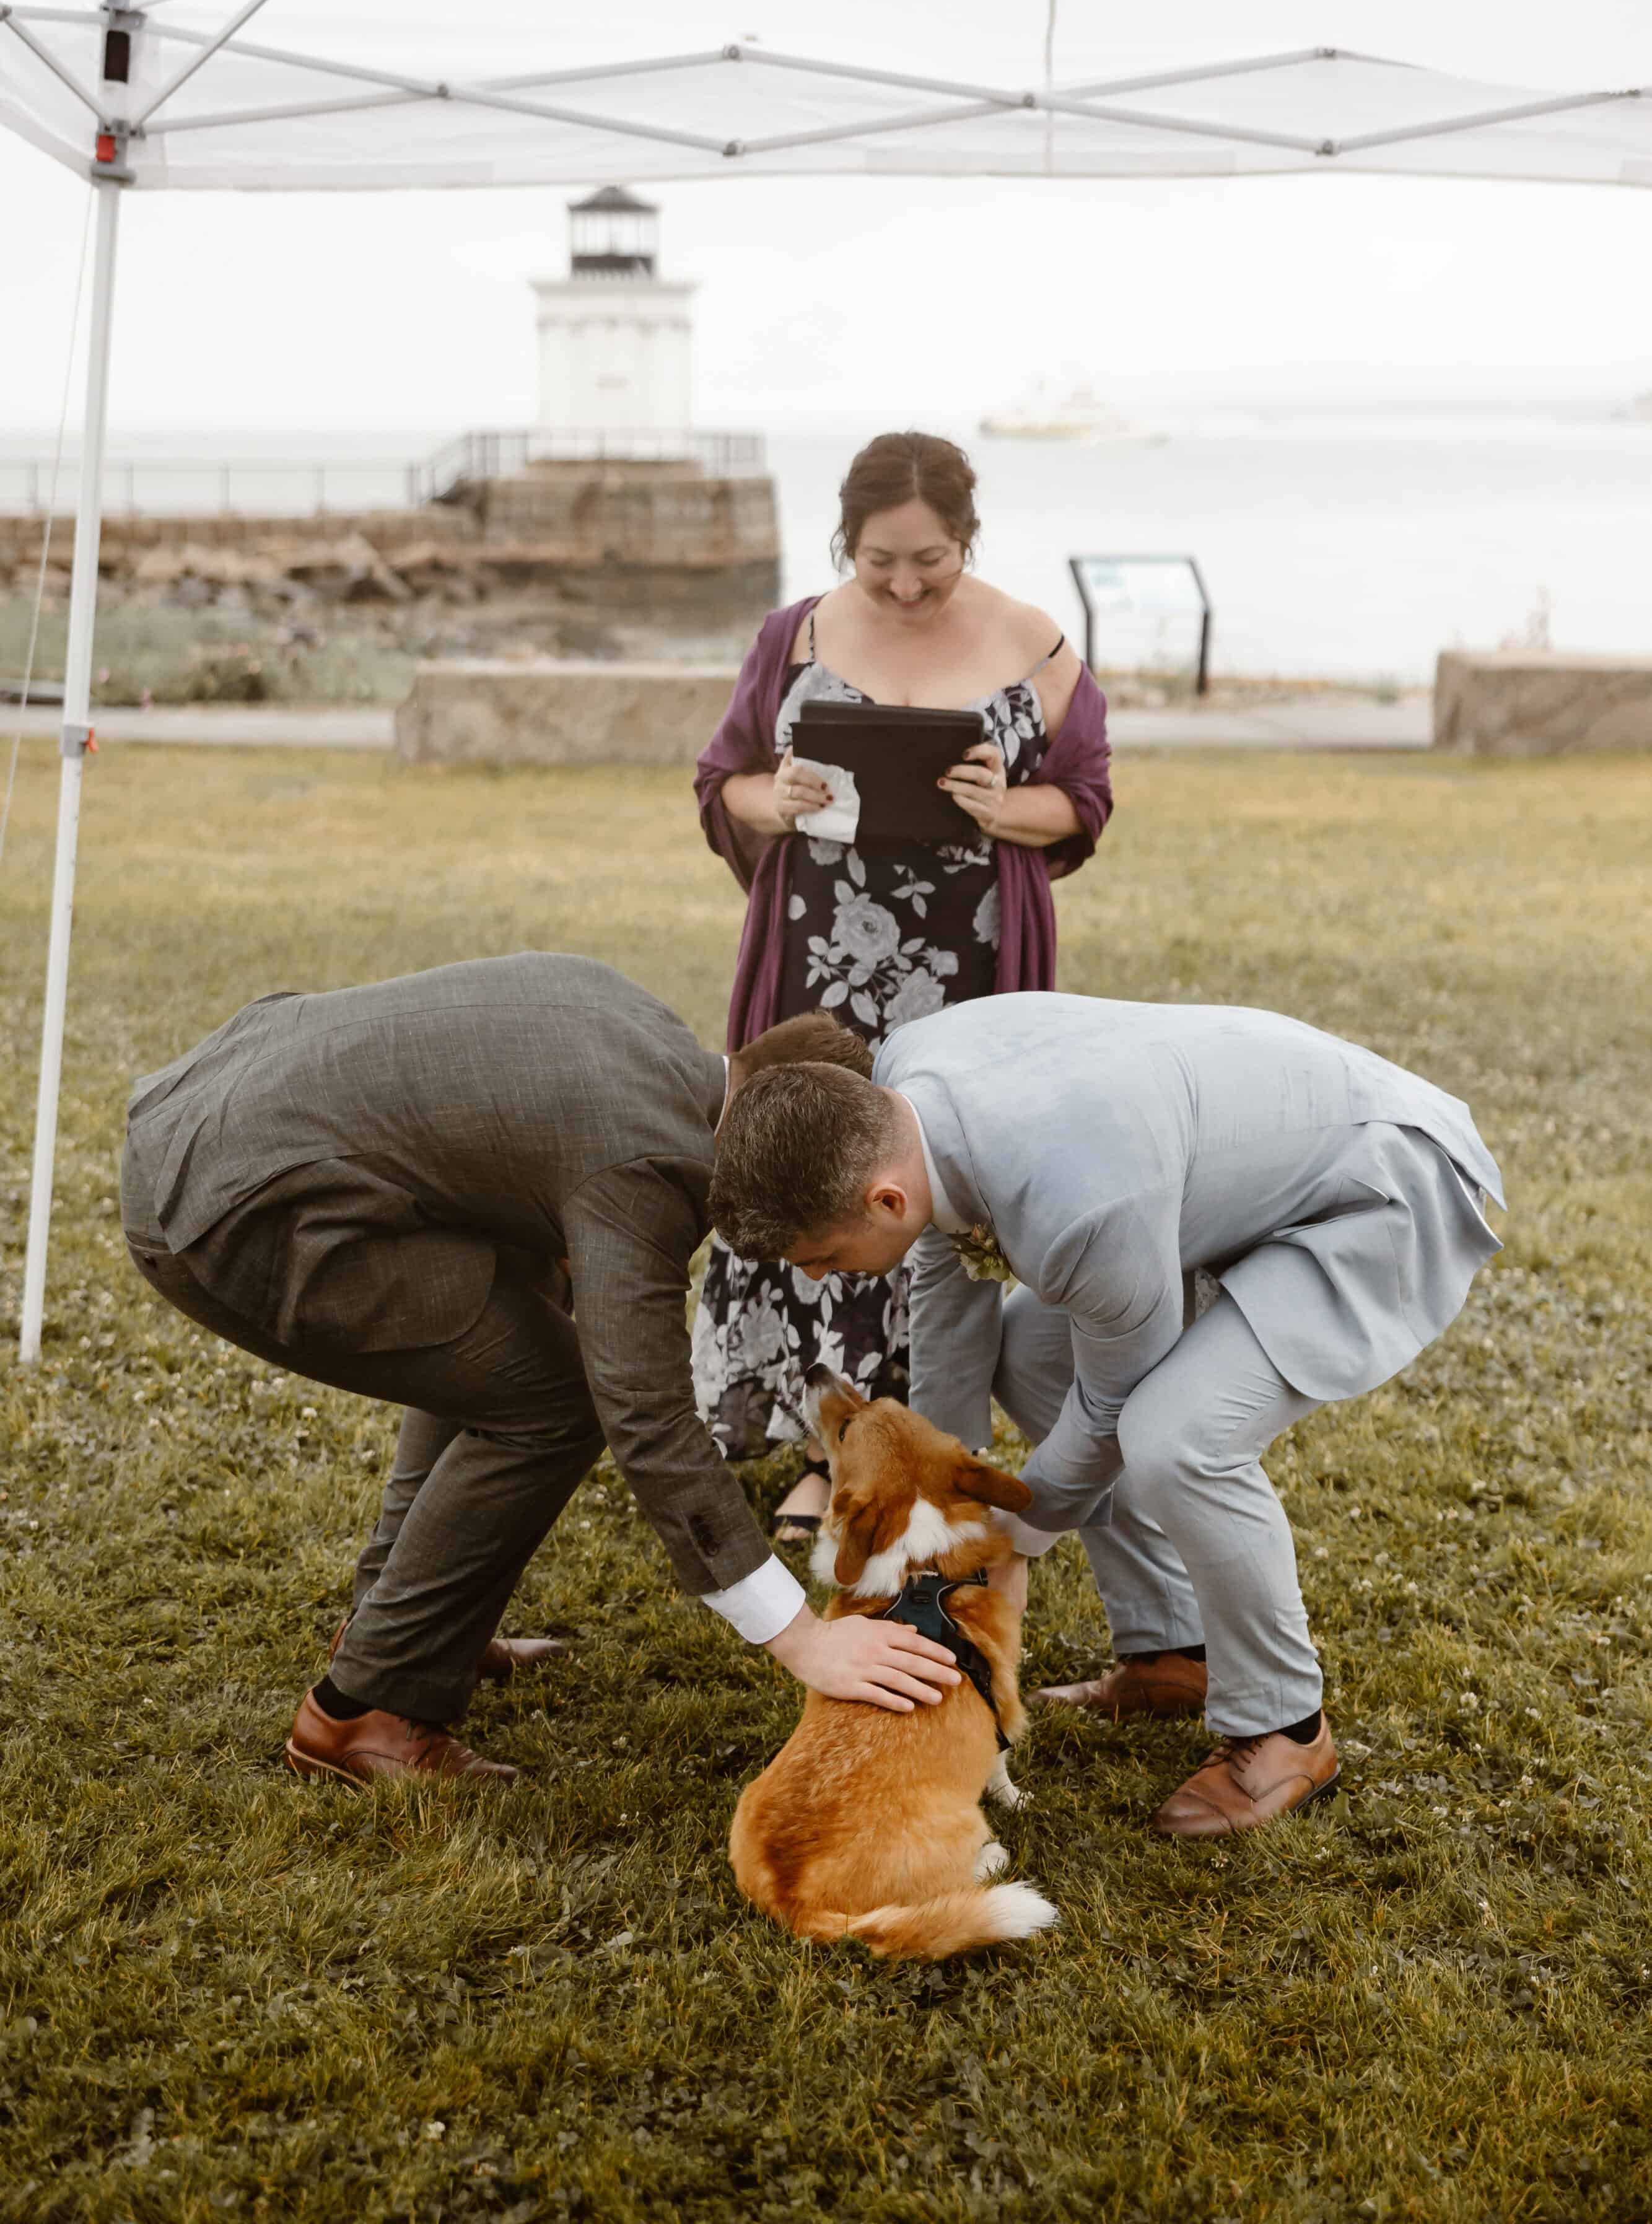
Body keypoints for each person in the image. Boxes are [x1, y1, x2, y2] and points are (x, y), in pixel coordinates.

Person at [119, 956, 961, 1789]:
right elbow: (645, 1415)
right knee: (558, 1401)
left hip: (206, 1106)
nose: (813, 1271)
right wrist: (801, 1638)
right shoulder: (645, 1166)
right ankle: (358, 1711)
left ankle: (404, 1635)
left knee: (504, 1331)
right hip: (231, 1204)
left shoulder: (644, 1027)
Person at [708, 991, 1505, 1839]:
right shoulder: (901, 1101)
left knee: (1174, 1437)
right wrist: (952, 1499)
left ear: (884, 1202)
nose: (827, 1279)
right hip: (1205, 1187)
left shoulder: (1080, 1208)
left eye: (825, 1259)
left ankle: (1286, 1728)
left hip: (1373, 1191)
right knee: (1028, 1353)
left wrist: (1013, 1540)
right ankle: (1175, 1648)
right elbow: (950, 1280)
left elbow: (1115, 1397)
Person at [692, 429, 1112, 1544]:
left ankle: (921, 1433)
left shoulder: (1039, 646)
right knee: (815, 1183)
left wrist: (999, 806)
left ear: (967, 538)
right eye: (882, 559)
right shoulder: (797, 635)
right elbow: (719, 781)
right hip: (818, 960)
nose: (908, 581)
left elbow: (1086, 802)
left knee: (932, 1202)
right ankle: (827, 1449)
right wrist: (770, 798)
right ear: (848, 538)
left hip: (971, 968)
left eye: (932, 558)